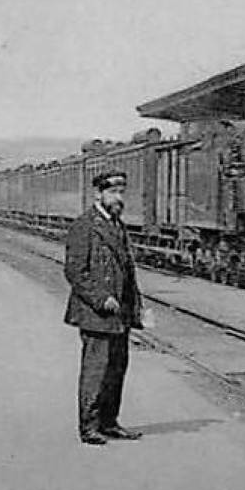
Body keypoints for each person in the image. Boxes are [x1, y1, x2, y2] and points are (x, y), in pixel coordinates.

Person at [63, 170, 146, 445]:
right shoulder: (84, 225)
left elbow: (128, 272)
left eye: (121, 192)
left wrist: (136, 308)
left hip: (119, 313)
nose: (118, 197)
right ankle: (89, 427)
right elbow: (75, 272)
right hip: (96, 312)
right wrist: (101, 298)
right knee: (96, 371)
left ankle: (109, 423)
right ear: (98, 194)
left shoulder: (117, 225)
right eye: (112, 192)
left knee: (116, 370)